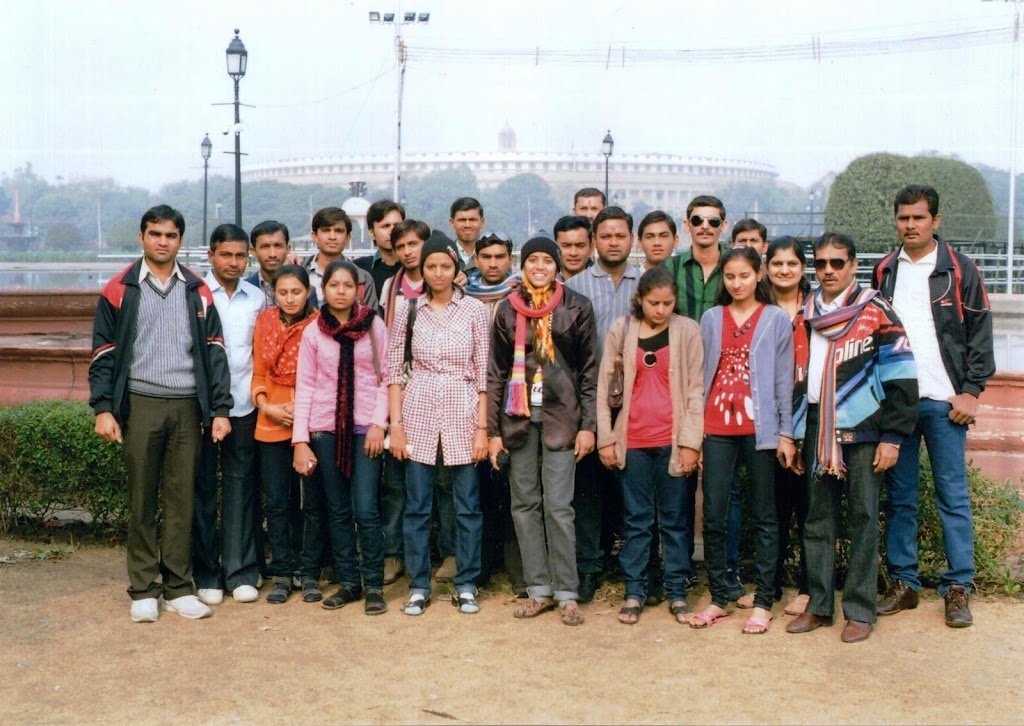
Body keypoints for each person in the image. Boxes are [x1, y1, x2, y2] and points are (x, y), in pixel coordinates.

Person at [89, 204, 231, 622]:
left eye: (170, 235)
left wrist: (220, 409)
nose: (163, 242)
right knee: (142, 498)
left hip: (188, 404)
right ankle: (143, 589)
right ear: (142, 237)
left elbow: (215, 352)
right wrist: (103, 408)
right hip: (141, 402)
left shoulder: (197, 290)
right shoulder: (119, 288)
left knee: (182, 499)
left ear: (181, 241)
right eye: (155, 234)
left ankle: (179, 587)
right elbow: (103, 353)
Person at [873, 185, 995, 628]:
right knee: (900, 498)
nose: (910, 225)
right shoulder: (886, 269)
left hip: (946, 404)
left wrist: (972, 391)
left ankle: (958, 586)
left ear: (935, 221)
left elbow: (980, 331)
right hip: (899, 404)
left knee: (952, 497)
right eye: (903, 218)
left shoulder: (959, 269)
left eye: (919, 218)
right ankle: (904, 583)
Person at [786, 233, 918, 644]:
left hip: (865, 427)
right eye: (821, 263)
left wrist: (893, 437)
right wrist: (793, 433)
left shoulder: (876, 309)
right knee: (817, 518)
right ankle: (819, 605)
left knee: (863, 517)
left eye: (837, 263)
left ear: (853, 265)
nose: (828, 271)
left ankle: (860, 611)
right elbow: (795, 375)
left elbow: (901, 373)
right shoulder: (805, 313)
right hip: (816, 426)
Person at [488, 237, 596, 626]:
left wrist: (588, 426)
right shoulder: (507, 309)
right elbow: (496, 372)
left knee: (559, 506)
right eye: (532, 260)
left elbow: (589, 371)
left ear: (557, 266)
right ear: (523, 266)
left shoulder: (577, 306)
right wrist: (493, 432)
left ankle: (567, 592)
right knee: (524, 504)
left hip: (562, 416)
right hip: (517, 417)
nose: (539, 267)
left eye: (546, 261)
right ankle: (538, 589)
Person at [688, 246, 795, 634]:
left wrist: (786, 433)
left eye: (744, 276)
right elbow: (701, 375)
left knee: (764, 514)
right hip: (716, 427)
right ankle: (718, 597)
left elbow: (783, 379)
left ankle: (764, 601)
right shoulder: (711, 318)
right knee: (715, 514)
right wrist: (696, 433)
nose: (737, 283)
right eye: (730, 277)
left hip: (760, 430)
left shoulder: (775, 318)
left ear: (759, 275)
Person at [386, 233, 490, 616]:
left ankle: (467, 583)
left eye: (445, 266)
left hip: (464, 411)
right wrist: (396, 426)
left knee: (468, 506)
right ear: (423, 269)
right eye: (431, 266)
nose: (439, 273)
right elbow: (393, 370)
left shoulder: (475, 310)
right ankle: (418, 585)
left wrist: (482, 429)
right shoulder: (409, 308)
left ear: (455, 267)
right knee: (417, 505)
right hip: (419, 410)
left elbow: (483, 373)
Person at [595, 267, 703, 625]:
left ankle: (676, 590)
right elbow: (604, 387)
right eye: (654, 303)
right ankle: (635, 590)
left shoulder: (687, 330)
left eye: (667, 303)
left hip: (671, 440)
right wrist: (606, 437)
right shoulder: (622, 329)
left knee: (674, 520)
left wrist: (691, 442)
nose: (660, 310)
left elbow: (695, 390)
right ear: (640, 299)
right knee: (637, 520)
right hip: (633, 441)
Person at [292, 260, 389, 614]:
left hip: (365, 428)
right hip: (324, 427)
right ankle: (349, 582)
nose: (341, 291)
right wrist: (300, 440)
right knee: (337, 509)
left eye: (348, 285)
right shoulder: (313, 332)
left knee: (365, 508)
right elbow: (305, 385)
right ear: (324, 289)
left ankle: (374, 584)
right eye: (334, 285)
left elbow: (386, 377)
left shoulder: (373, 325)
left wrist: (379, 423)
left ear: (358, 290)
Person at [565, 206, 643, 603]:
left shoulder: (645, 285)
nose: (613, 242)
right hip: (588, 399)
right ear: (595, 240)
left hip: (636, 400)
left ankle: (636, 569)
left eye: (620, 235)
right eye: (606, 236)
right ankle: (590, 567)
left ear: (632, 239)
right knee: (588, 489)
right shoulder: (574, 286)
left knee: (632, 488)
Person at [192, 224, 265, 607]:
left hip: (245, 405)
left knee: (241, 488)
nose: (234, 262)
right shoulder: (195, 295)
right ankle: (207, 573)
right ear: (211, 255)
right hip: (202, 407)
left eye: (240, 255)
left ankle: (241, 572)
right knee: (202, 488)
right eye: (226, 255)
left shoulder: (257, 298)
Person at [661, 195, 730, 593]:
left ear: (724, 225)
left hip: (727, 381)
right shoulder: (671, 269)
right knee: (681, 476)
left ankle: (727, 568)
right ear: (686, 225)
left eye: (713, 220)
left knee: (725, 482)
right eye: (698, 220)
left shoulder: (735, 268)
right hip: (680, 383)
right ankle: (681, 567)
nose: (705, 226)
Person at [252, 264, 318, 604]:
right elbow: (259, 372)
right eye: (283, 292)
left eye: (296, 292)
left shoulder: (318, 325)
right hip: (271, 422)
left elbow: (322, 376)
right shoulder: (265, 322)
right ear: (273, 294)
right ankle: (282, 571)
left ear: (308, 292)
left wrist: (301, 411)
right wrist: (267, 407)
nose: (290, 298)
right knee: (278, 501)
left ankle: (309, 572)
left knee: (311, 502)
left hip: (311, 422)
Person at [464, 232, 525, 593]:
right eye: (485, 257)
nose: (492, 263)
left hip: (512, 397)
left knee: (515, 488)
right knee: (479, 491)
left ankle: (518, 571)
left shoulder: (521, 296)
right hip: (472, 399)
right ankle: (482, 568)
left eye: (499, 256)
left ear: (510, 259)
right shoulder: (463, 295)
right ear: (476, 260)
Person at [377, 218, 428, 586]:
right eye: (401, 247)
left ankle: (447, 553)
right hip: (397, 385)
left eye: (414, 244)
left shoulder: (442, 281)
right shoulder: (390, 286)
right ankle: (393, 554)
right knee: (395, 481)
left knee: (439, 480)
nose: (408, 252)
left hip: (433, 387)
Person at [765, 236, 813, 615]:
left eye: (791, 264)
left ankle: (809, 587)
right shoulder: (758, 308)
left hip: (811, 418)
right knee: (773, 507)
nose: (784, 270)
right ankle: (771, 584)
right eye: (777, 263)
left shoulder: (817, 308)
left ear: (803, 268)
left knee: (809, 507)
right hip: (769, 419)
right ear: (766, 267)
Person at [303, 207, 377, 308]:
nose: (332, 237)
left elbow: (371, 315)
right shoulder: (298, 273)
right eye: (326, 230)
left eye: (339, 231)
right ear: (315, 236)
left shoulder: (362, 279)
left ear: (348, 238)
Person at [355, 199, 405, 297]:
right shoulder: (358, 269)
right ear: (372, 233)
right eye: (386, 226)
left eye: (397, 225)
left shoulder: (416, 267)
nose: (392, 231)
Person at [247, 220, 292, 306]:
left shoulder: (303, 289)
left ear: (288, 249)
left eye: (278, 246)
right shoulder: (243, 290)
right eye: (265, 247)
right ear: (253, 251)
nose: (272, 254)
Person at [449, 197, 486, 271]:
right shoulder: (444, 255)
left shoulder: (492, 256)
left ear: (482, 222)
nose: (467, 225)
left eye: (472, 220)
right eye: (462, 220)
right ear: (452, 223)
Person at [553, 215, 593, 280]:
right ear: (555, 247)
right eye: (566, 246)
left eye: (580, 246)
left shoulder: (605, 282)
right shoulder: (543, 282)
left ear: (591, 247)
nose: (573, 253)